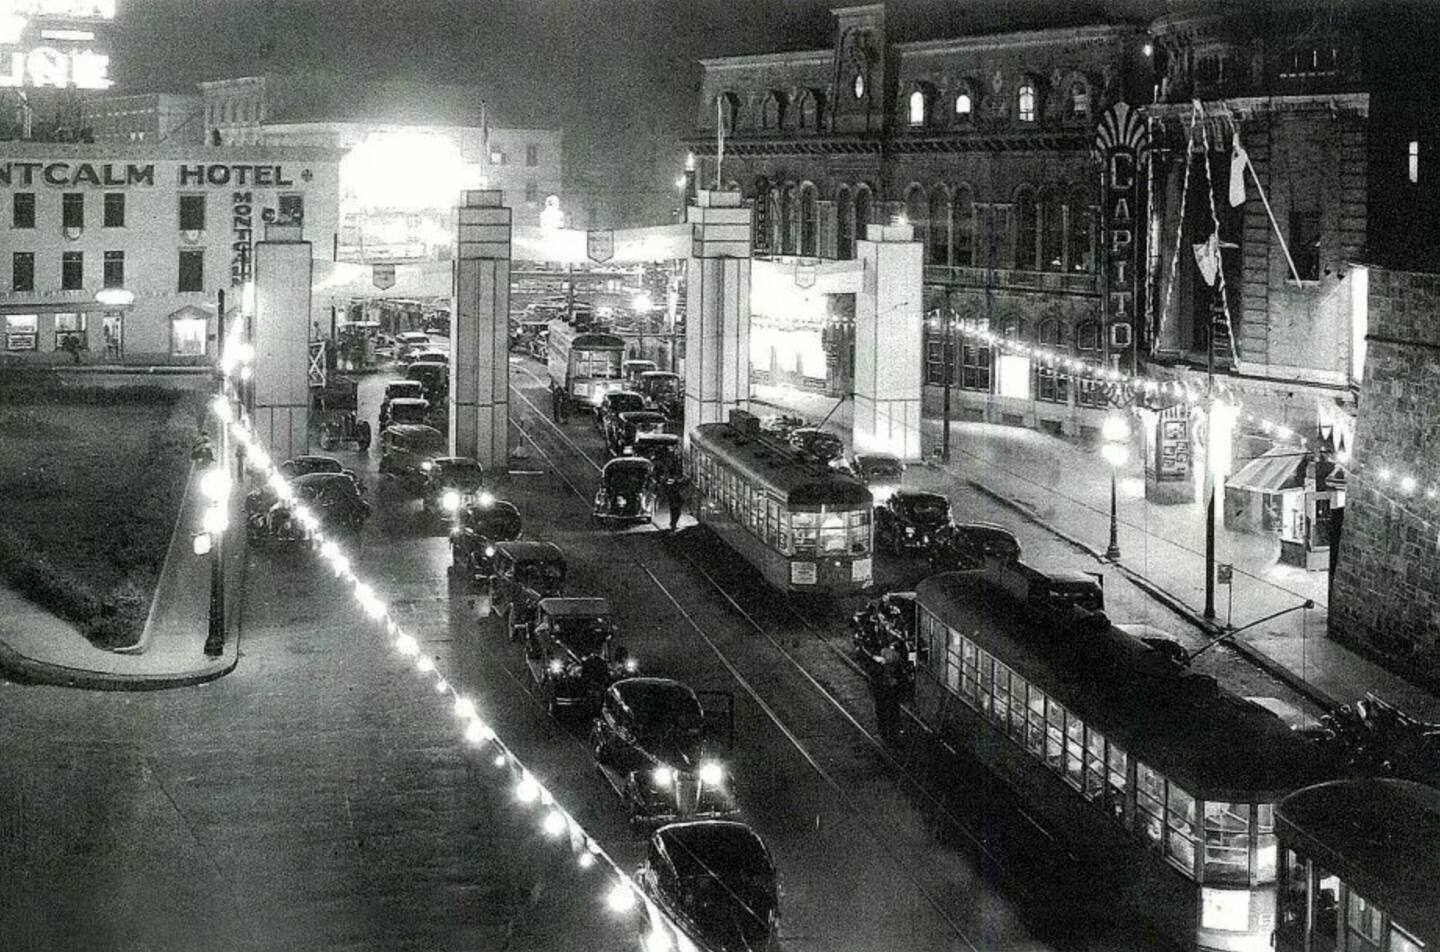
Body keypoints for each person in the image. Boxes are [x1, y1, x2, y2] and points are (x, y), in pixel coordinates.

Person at [873, 640, 905, 743]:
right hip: (893, 688)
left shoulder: (883, 653)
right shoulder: (897, 657)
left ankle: (884, 733)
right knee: (893, 712)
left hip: (883, 688)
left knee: (882, 711)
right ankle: (893, 734)